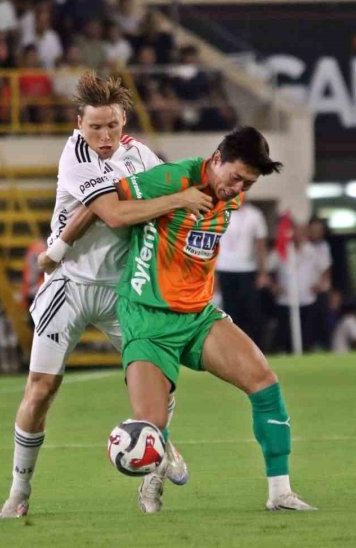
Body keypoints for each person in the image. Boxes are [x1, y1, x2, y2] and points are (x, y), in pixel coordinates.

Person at [0, 73, 211, 519]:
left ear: (123, 119)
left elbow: (133, 206)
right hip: (70, 287)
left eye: (112, 125)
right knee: (41, 388)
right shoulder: (76, 155)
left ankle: (154, 465)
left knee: (156, 383)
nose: (105, 136)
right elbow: (110, 213)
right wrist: (178, 200)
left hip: (122, 291)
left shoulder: (140, 154)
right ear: (79, 124)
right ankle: (18, 492)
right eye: (95, 127)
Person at [113, 127, 314, 512]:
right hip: (148, 318)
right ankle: (154, 472)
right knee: (150, 425)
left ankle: (280, 493)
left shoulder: (231, 195)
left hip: (198, 316)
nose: (238, 188)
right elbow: (110, 207)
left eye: (248, 184)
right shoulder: (174, 178)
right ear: (216, 159)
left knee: (264, 382)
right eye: (235, 177)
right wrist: (61, 247)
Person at [215, 202, 271, 349]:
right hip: (224, 268)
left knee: (253, 312)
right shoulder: (218, 211)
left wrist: (263, 272)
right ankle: (233, 349)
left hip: (247, 269)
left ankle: (257, 348)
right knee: (229, 313)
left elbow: (261, 245)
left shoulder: (255, 214)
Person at [267, 224, 323, 353]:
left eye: (302, 232)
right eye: (297, 232)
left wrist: (319, 284)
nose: (299, 235)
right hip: (285, 300)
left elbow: (324, 270)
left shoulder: (313, 251)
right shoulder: (281, 250)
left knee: (307, 337)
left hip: (307, 299)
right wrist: (273, 286)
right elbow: (266, 270)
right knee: (284, 337)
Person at [307, 217, 333, 350]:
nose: (316, 232)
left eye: (319, 230)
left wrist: (322, 285)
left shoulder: (324, 247)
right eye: (314, 229)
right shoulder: (304, 246)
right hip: (305, 292)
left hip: (320, 290)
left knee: (323, 320)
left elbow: (326, 268)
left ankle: (325, 346)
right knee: (309, 322)